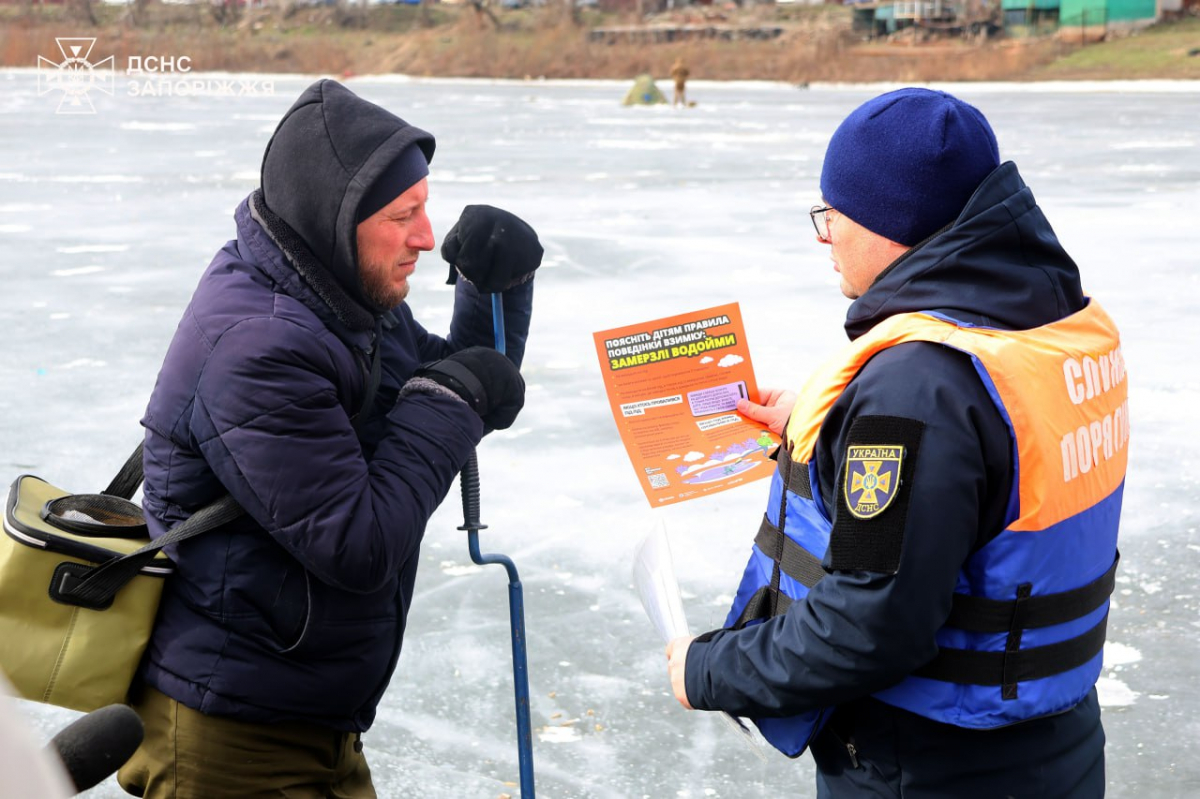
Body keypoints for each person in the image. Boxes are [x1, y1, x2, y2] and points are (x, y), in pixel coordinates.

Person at [666, 88, 1128, 797]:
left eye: (833, 217)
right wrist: (826, 429)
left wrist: (708, 669)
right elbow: (993, 464)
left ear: (891, 224)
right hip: (1053, 748)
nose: (826, 239)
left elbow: (870, 627)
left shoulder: (917, 386)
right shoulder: (1049, 323)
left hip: (930, 768)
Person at [118, 79, 543, 798]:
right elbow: (359, 541)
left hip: (309, 711)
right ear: (334, 218)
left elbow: (450, 387)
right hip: (233, 739)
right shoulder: (260, 349)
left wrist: (493, 287)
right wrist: (453, 395)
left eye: (426, 209)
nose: (423, 236)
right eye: (403, 216)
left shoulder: (338, 295)